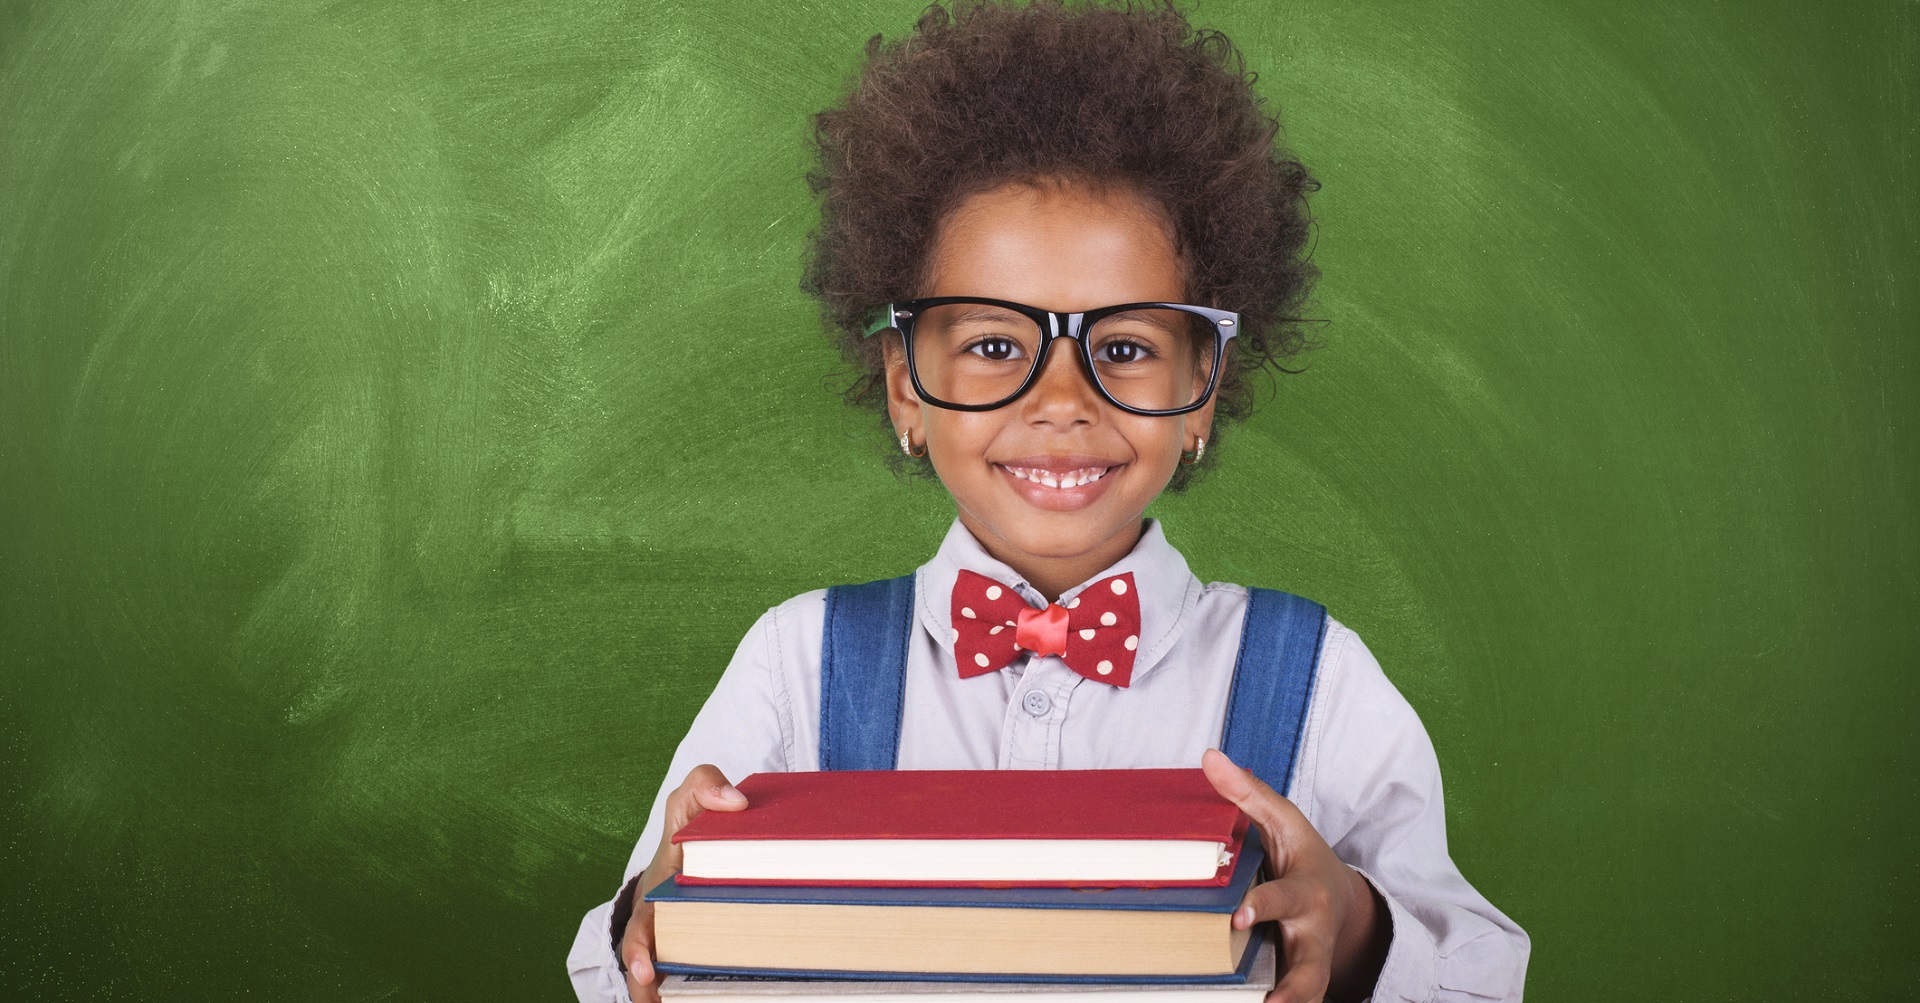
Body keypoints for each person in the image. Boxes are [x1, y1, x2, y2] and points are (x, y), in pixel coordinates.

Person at [569, 3, 1529, 1001]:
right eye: (992, 347)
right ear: (904, 381)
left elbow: (1480, 974)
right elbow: (610, 969)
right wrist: (657, 904)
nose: (1060, 401)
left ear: (1202, 385)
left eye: (1123, 348)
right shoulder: (795, 665)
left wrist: (1361, 925)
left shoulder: (1317, 677)